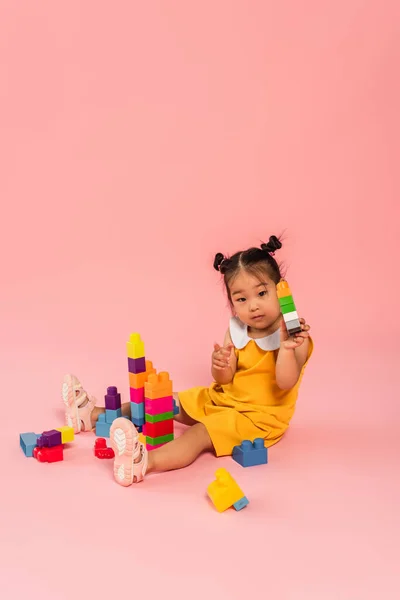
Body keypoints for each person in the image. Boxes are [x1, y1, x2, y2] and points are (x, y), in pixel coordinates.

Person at [62, 235, 313, 486]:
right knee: (162, 401)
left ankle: (144, 462)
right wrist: (220, 365)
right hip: (222, 399)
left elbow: (285, 382)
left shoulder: (294, 336)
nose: (254, 306)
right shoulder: (237, 330)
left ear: (281, 290)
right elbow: (225, 380)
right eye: (242, 299)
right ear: (232, 303)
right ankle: (91, 414)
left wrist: (286, 348)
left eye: (261, 293)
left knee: (200, 432)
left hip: (258, 418)